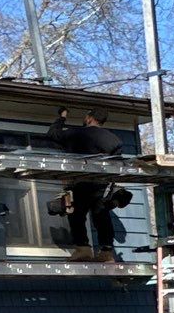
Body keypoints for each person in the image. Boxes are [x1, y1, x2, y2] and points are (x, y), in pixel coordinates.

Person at [47, 106, 123, 261]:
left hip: (79, 181)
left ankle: (83, 249)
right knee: (101, 216)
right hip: (101, 183)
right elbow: (117, 163)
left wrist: (62, 117)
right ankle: (106, 252)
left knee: (76, 215)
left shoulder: (76, 134)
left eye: (86, 116)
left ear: (89, 118)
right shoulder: (114, 140)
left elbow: (53, 134)